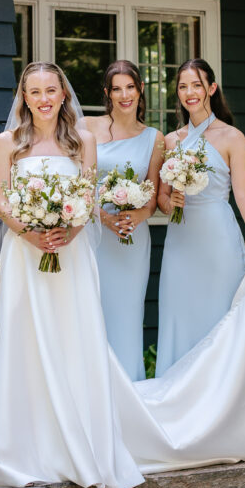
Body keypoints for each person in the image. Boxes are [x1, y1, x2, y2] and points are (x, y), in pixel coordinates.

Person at [0, 61, 245, 488]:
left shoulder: (169, 139)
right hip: (32, 253)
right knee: (29, 340)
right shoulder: (14, 142)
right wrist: (33, 232)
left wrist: (87, 224)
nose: (43, 98)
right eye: (34, 91)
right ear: (24, 97)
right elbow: (7, 200)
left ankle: (203, 416)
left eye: (51, 90)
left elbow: (119, 195)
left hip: (106, 245)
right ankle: (34, 440)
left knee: (89, 332)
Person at [155, 58, 245, 376]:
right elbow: (161, 199)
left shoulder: (232, 138)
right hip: (181, 243)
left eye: (196, 85)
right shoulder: (171, 141)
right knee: (180, 315)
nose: (189, 92)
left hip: (218, 239)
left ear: (211, 88)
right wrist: (172, 202)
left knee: (219, 315)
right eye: (183, 86)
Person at [86, 61, 164, 380]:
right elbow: (78, 184)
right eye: (116, 89)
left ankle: (128, 393)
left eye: (129, 87)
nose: (124, 95)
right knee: (92, 314)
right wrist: (104, 217)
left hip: (131, 239)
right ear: (107, 93)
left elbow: (154, 198)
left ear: (140, 89)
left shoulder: (155, 138)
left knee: (128, 316)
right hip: (94, 235)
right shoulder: (87, 127)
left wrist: (137, 214)